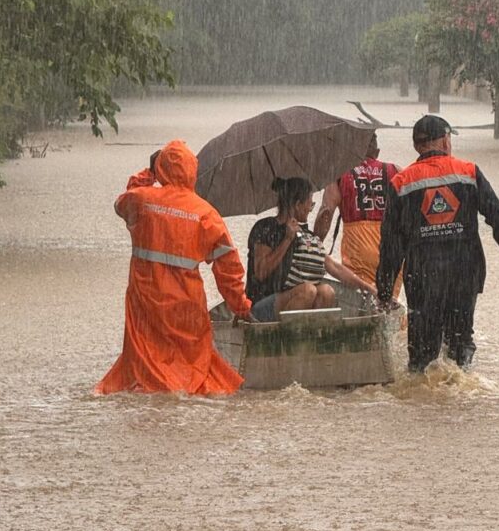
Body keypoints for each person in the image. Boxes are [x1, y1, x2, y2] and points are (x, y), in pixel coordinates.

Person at [376, 114, 499, 372]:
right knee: (460, 348)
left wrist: (383, 292)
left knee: (422, 356)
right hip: (464, 273)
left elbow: (391, 245)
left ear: (417, 146)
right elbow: (498, 217)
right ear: (446, 141)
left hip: (422, 276)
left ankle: (423, 403)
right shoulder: (468, 173)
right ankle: (459, 400)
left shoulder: (401, 183)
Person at [95, 139, 252, 395]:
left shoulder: (142, 199)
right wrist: (241, 306)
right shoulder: (206, 214)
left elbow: (122, 202)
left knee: (144, 368)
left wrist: (149, 174)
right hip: (187, 309)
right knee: (193, 368)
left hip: (146, 305)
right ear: (192, 171)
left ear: (160, 169)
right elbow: (229, 269)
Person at [247, 176, 375, 322]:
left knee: (326, 292)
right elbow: (261, 272)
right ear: (297, 205)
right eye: (310, 204)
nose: (310, 210)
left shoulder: (306, 234)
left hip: (292, 303)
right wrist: (287, 239)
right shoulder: (266, 227)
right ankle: (286, 340)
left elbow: (334, 267)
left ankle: (311, 339)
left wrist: (367, 287)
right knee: (307, 290)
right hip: (261, 307)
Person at [313, 132, 401, 297]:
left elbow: (326, 213)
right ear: (377, 152)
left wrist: (313, 245)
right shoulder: (395, 171)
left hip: (359, 248)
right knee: (390, 303)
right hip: (392, 247)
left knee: (364, 301)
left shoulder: (340, 175)